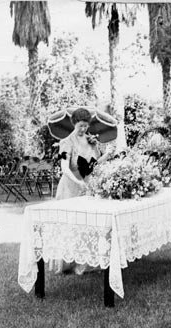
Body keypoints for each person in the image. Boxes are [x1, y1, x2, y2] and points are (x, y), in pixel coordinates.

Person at [50, 107, 114, 274]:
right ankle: (66, 264)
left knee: (87, 225)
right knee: (70, 226)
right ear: (74, 124)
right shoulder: (66, 142)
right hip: (70, 187)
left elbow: (93, 165)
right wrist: (77, 181)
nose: (84, 129)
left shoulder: (91, 140)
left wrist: (106, 155)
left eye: (86, 126)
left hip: (87, 186)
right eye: (81, 126)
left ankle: (83, 264)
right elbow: (64, 167)